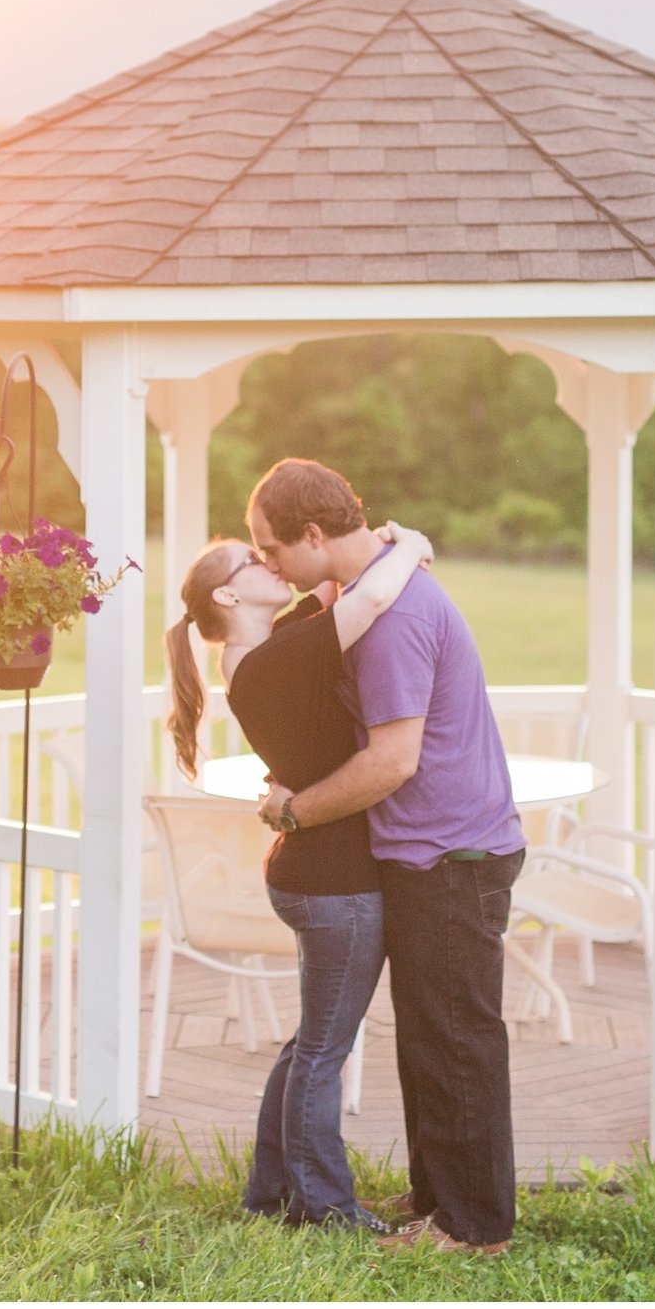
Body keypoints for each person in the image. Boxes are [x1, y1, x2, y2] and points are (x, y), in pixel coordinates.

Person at [246, 458, 526, 1257]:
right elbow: (343, 594)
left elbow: (391, 763)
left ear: (312, 533)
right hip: (428, 853)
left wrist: (295, 811)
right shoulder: (365, 589)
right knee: (427, 1039)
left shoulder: (394, 620)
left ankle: (473, 1229)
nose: (265, 563)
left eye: (271, 547)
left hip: (453, 857)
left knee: (455, 1040)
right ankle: (440, 1194)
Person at [163, 519, 435, 1233]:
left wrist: (356, 539)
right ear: (229, 592)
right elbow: (368, 602)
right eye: (254, 559)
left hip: (315, 875)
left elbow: (329, 582)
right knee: (322, 1050)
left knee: (310, 1041)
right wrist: (409, 547)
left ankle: (272, 1189)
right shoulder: (270, 663)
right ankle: (325, 1207)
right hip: (333, 884)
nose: (269, 561)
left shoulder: (267, 649)